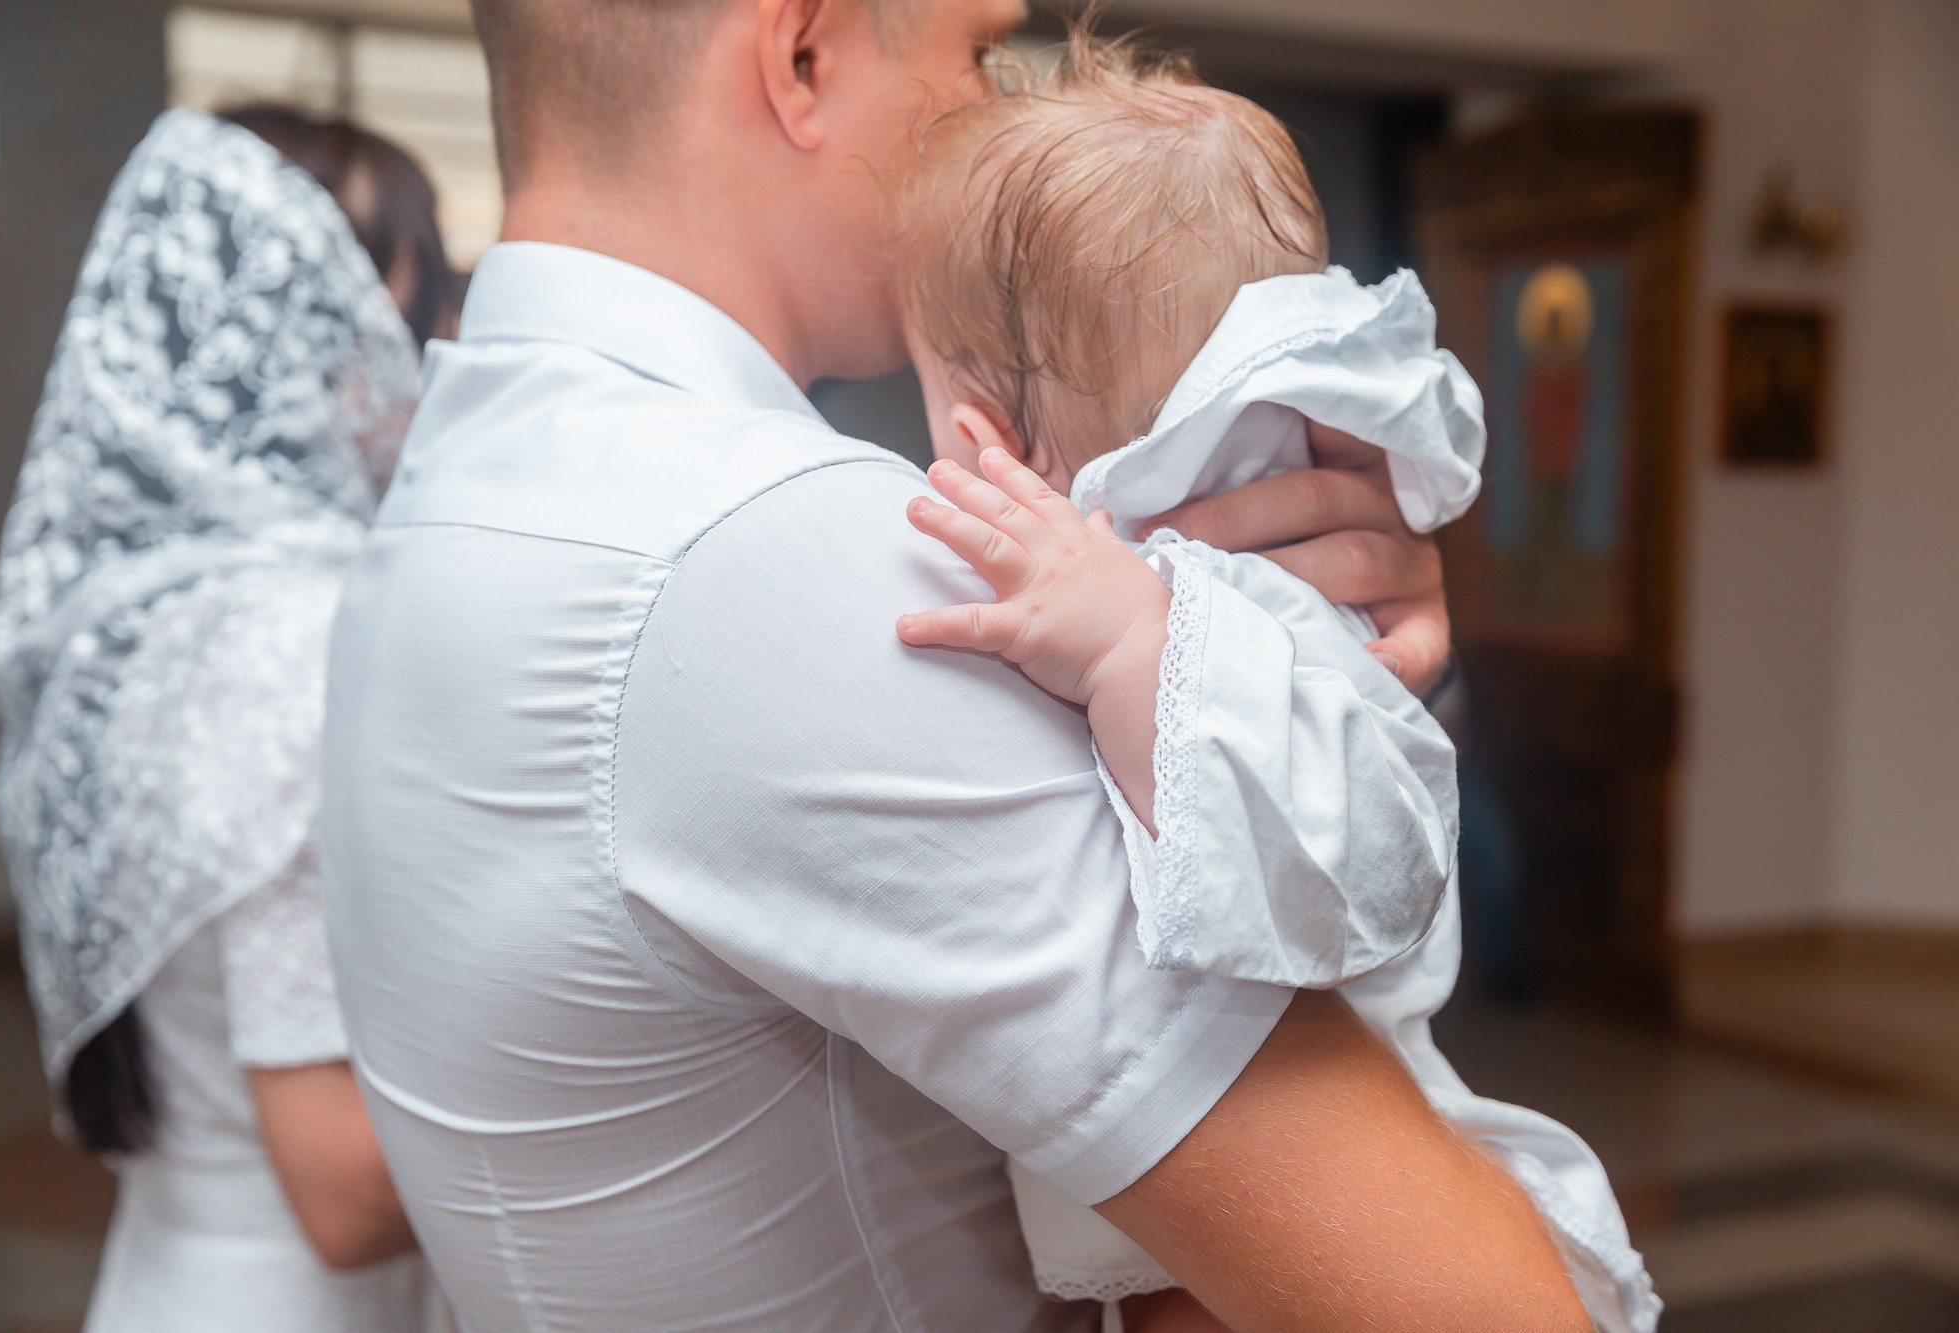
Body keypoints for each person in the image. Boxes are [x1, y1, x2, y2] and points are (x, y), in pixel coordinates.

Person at [318, 0, 1591, 1328]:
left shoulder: (443, 493)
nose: (993, 110)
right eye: (975, 57)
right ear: (801, 55)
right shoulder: (791, 559)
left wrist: (1300, 638)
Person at [888, 40, 1658, 1333]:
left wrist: (1137, 650)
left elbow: (1364, 873)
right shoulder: (1216, 581)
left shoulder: (1242, 609)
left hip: (1291, 1147)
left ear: (982, 438)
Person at [0, 105, 453, 1332]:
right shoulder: (290, 644)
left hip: (162, 1271)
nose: (440, 338)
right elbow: (342, 1192)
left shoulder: (141, 613)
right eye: (416, 285)